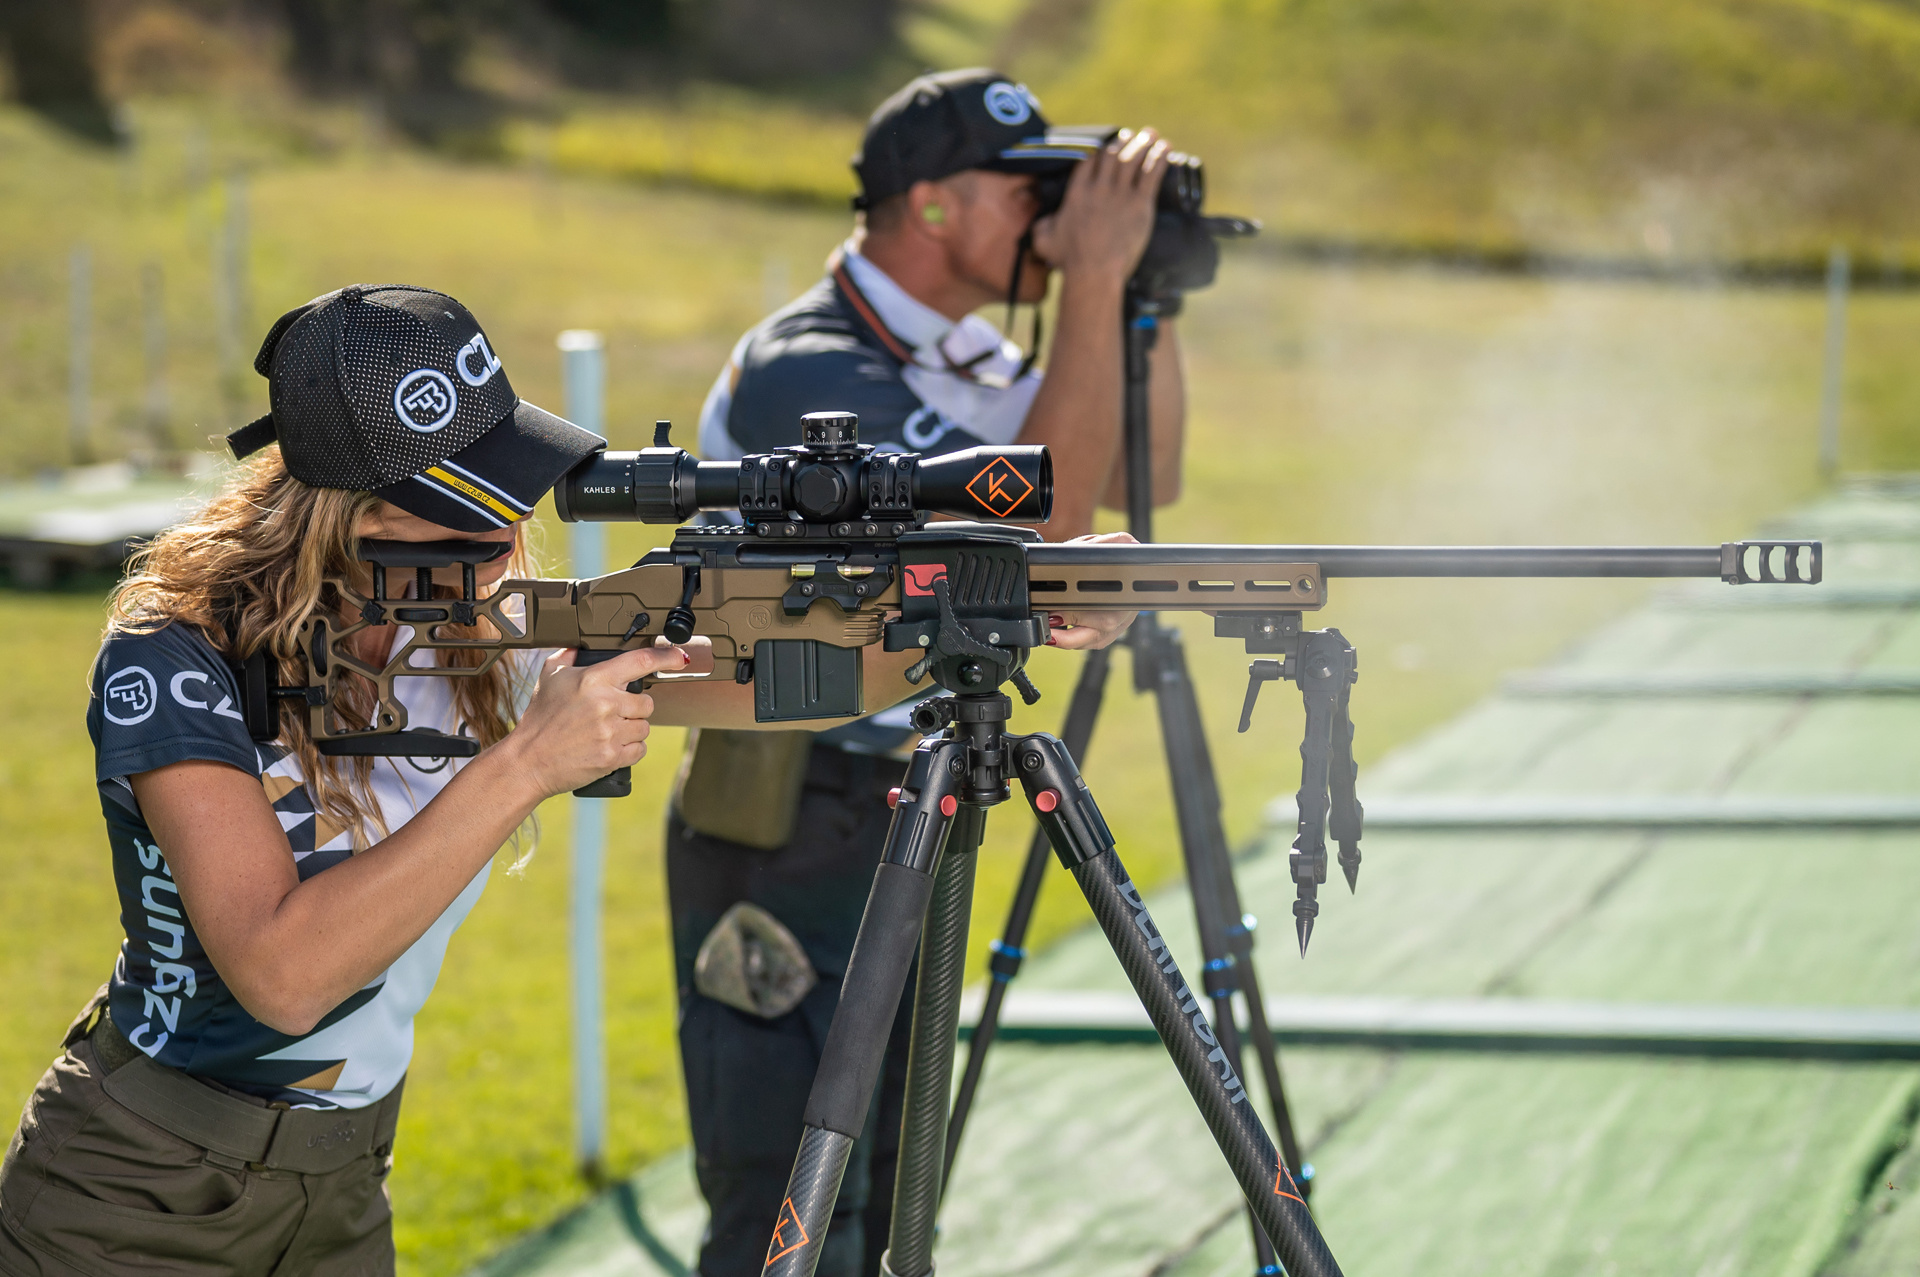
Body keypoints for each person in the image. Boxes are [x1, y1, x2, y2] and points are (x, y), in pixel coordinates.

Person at [1, 284, 725, 1277]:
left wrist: (932, 604)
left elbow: (752, 665)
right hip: (135, 1196)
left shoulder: (462, 621)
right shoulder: (171, 657)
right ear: (356, 519)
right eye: (472, 526)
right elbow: (281, 977)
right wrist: (527, 762)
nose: (509, 552)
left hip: (341, 1190)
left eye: (512, 506)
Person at [671, 68, 1186, 1277]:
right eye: (1027, 189)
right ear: (935, 206)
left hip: (905, 796)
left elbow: (1135, 465)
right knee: (793, 1205)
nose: (1053, 216)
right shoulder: (808, 366)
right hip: (789, 811)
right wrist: (1098, 274)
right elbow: (1037, 538)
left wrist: (1140, 295)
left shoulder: (964, 351)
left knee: (900, 1179)